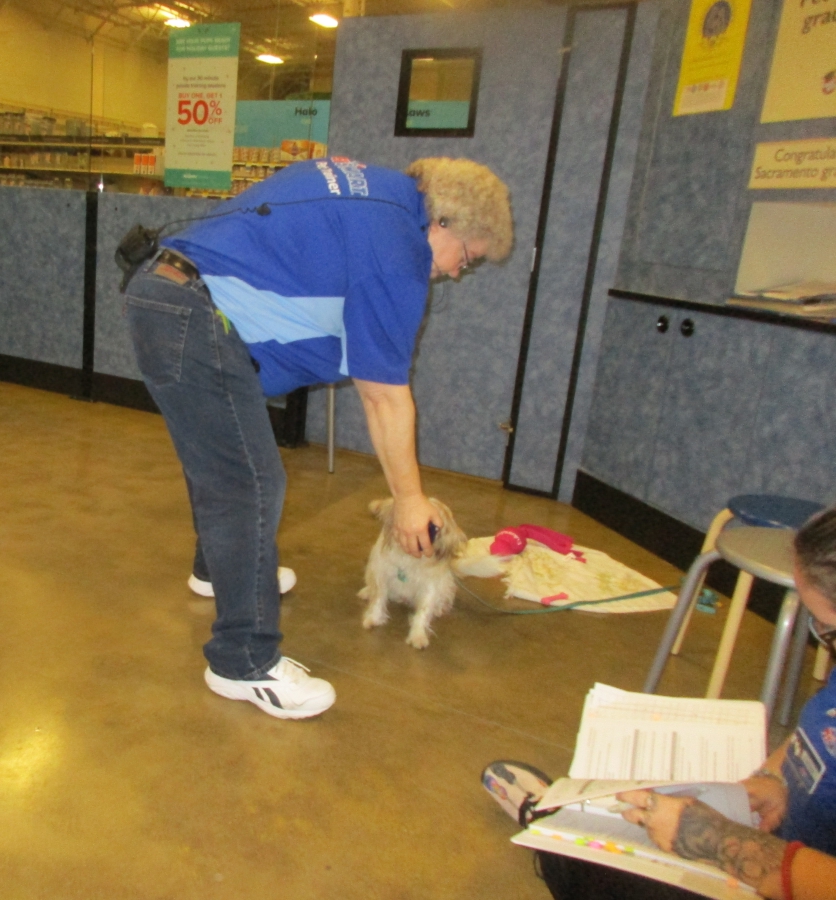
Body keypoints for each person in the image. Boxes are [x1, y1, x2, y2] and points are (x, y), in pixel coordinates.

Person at [122, 156, 513, 719]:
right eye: (467, 257)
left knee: (224, 459)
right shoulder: (398, 251)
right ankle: (244, 663)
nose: (455, 272)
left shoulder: (378, 192)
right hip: (191, 311)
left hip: (165, 291)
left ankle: (218, 572)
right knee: (251, 483)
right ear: (444, 223)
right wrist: (409, 499)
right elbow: (384, 396)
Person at [484, 505, 836, 899]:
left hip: (793, 874)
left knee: (577, 864)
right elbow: (817, 729)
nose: (823, 640)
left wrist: (720, 841)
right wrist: (775, 778)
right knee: (596, 842)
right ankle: (561, 819)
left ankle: (552, 819)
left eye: (828, 631)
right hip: (784, 839)